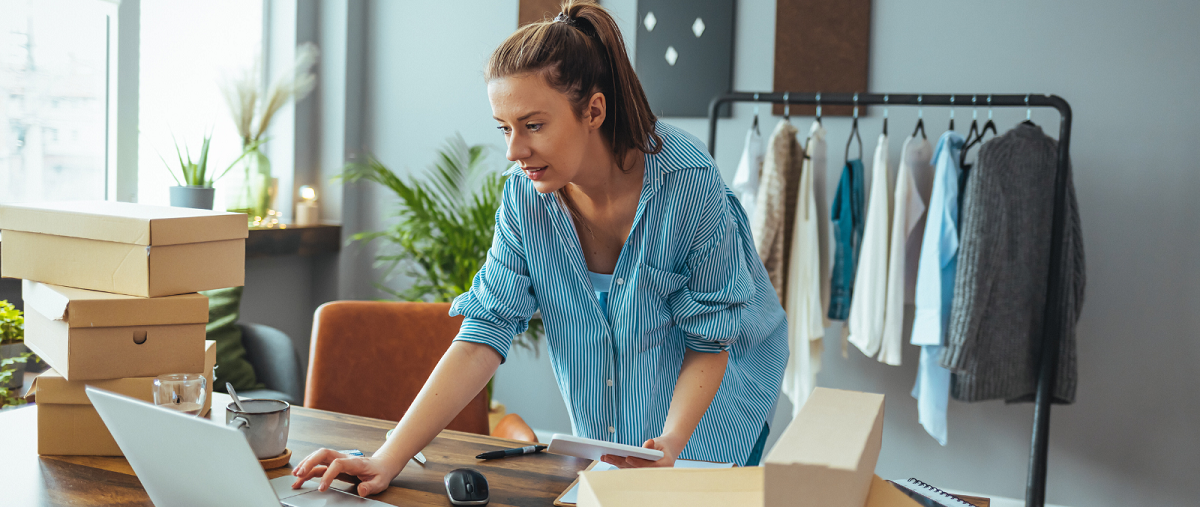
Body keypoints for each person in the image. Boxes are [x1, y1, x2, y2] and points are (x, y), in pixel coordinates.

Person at [292, 1, 788, 497]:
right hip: (615, 429)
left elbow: (710, 341)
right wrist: (386, 457)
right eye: (504, 128)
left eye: (532, 125)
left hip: (716, 408)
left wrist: (671, 445)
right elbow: (485, 330)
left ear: (593, 110)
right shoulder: (525, 198)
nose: (514, 150)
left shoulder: (687, 184)